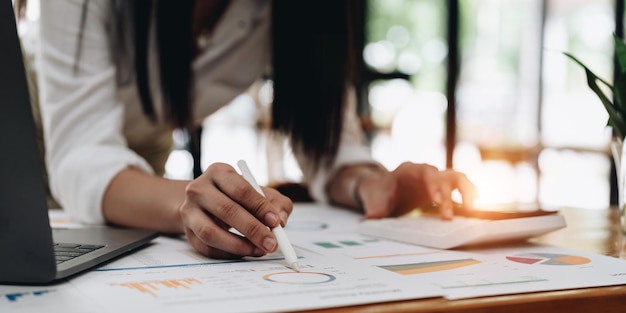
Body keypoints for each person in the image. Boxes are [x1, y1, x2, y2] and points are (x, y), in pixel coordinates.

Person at [35, 0, 477, 260]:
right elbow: (80, 155)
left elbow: (330, 148)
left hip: (139, 159)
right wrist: (188, 205)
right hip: (27, 135)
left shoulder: (292, 12)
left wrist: (371, 184)